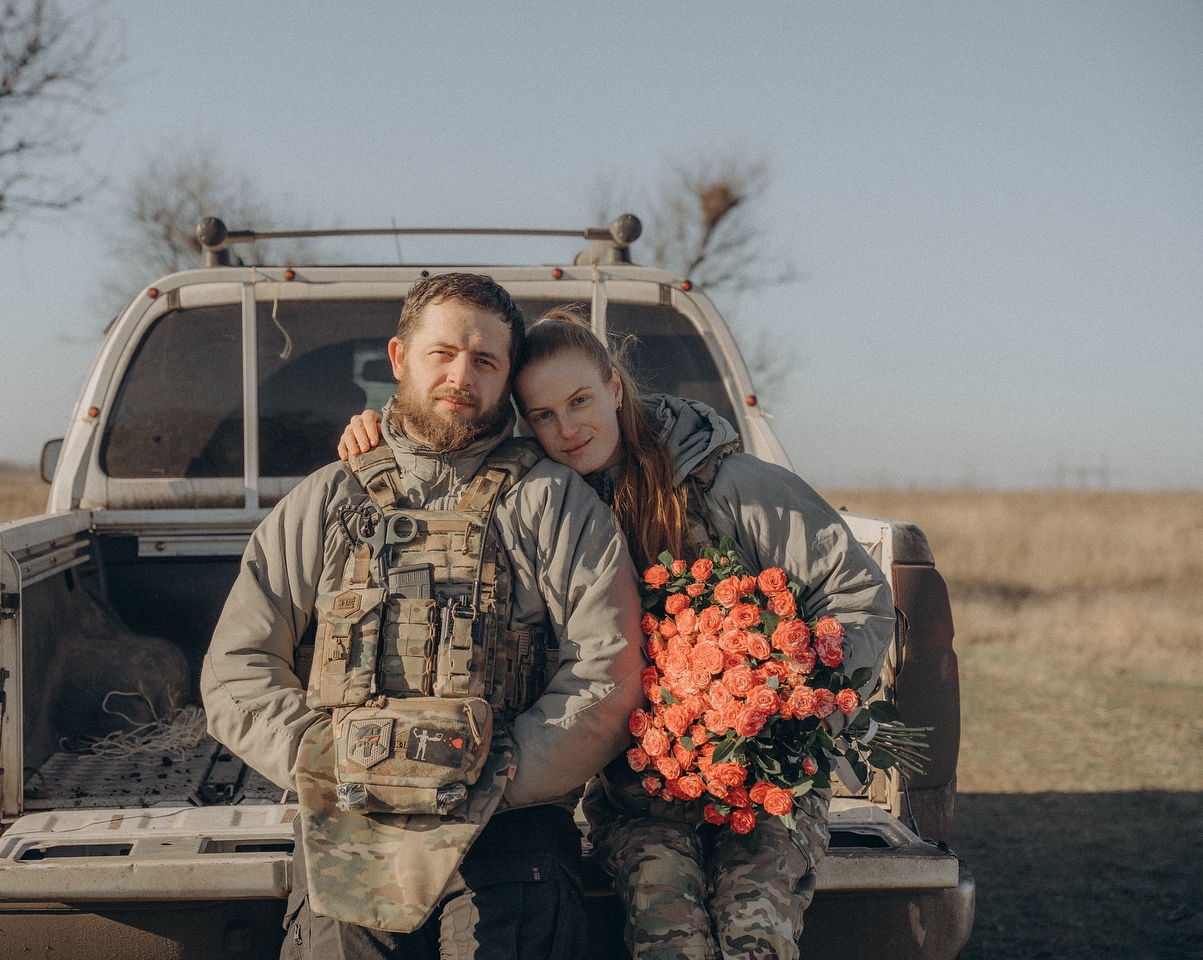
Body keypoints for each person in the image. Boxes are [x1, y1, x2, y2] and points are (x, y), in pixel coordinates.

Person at [338, 307, 895, 960]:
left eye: (579, 401)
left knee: (754, 929)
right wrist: (385, 438)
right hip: (641, 795)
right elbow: (444, 481)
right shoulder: (537, 504)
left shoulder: (731, 485)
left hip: (767, 784)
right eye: (543, 415)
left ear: (615, 387)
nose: (567, 428)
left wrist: (789, 706)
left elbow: (858, 595)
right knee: (670, 939)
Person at [201, 276, 645, 960]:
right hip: (350, 817)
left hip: (511, 822)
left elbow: (606, 675)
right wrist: (330, 763)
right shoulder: (326, 500)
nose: (461, 377)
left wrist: (491, 775)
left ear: (507, 382)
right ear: (400, 358)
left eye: (485, 362)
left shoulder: (555, 505)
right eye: (443, 353)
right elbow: (238, 668)